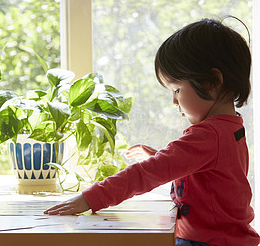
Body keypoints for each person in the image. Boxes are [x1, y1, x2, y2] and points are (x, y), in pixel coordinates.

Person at [44, 18, 260, 246]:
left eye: (177, 89)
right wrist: (164, 158)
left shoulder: (208, 135)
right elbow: (210, 179)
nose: (174, 101)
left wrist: (91, 198)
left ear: (212, 81)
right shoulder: (230, 126)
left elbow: (145, 174)